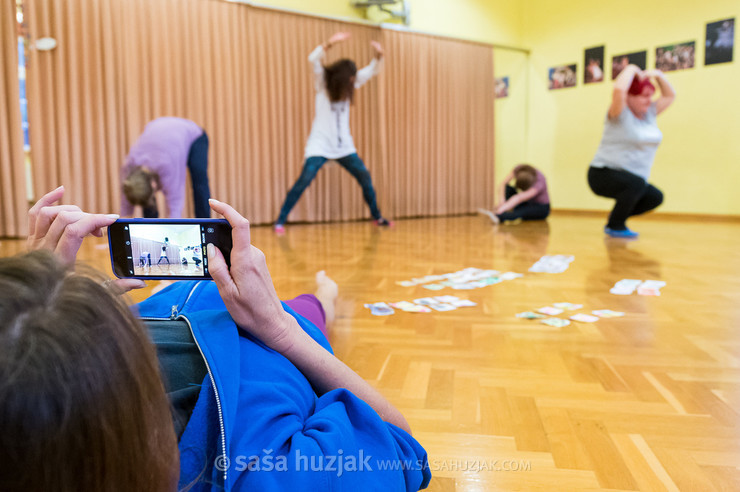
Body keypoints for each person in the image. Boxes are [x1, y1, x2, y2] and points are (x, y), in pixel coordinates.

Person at [0, 186, 431, 491]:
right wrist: (281, 328)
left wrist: (53, 305)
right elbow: (402, 447)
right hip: (275, 330)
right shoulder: (262, 473)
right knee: (317, 303)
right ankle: (326, 294)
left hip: (177, 301)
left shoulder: (46, 389)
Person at [274, 32, 391, 234]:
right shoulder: (323, 85)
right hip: (319, 145)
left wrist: (379, 55)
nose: (354, 81)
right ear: (343, 77)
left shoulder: (350, 85)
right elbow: (313, 59)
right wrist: (329, 44)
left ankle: (377, 217)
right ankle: (280, 221)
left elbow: (372, 70)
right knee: (304, 179)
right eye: (352, 78)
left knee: (364, 176)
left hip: (344, 146)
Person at [587, 65, 675, 238]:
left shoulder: (649, 114)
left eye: (651, 96)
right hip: (602, 174)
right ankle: (616, 226)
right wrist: (633, 69)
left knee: (655, 197)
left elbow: (670, 95)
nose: (649, 100)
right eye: (644, 96)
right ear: (630, 97)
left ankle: (615, 218)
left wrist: (657, 75)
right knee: (636, 184)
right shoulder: (619, 114)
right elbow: (619, 90)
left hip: (633, 179)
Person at [121, 117, 211, 219]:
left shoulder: (168, 166)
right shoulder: (129, 165)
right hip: (159, 131)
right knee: (144, 195)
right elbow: (126, 203)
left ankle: (205, 223)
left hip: (194, 136)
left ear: (153, 184)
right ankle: (151, 226)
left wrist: (174, 227)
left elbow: (175, 203)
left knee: (199, 180)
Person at [478, 164, 550, 225]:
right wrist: (501, 200)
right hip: (526, 202)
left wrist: (501, 209)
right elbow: (503, 184)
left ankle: (499, 215)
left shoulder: (539, 182)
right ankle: (502, 212)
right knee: (507, 188)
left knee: (520, 212)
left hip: (541, 207)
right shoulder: (520, 169)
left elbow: (519, 198)